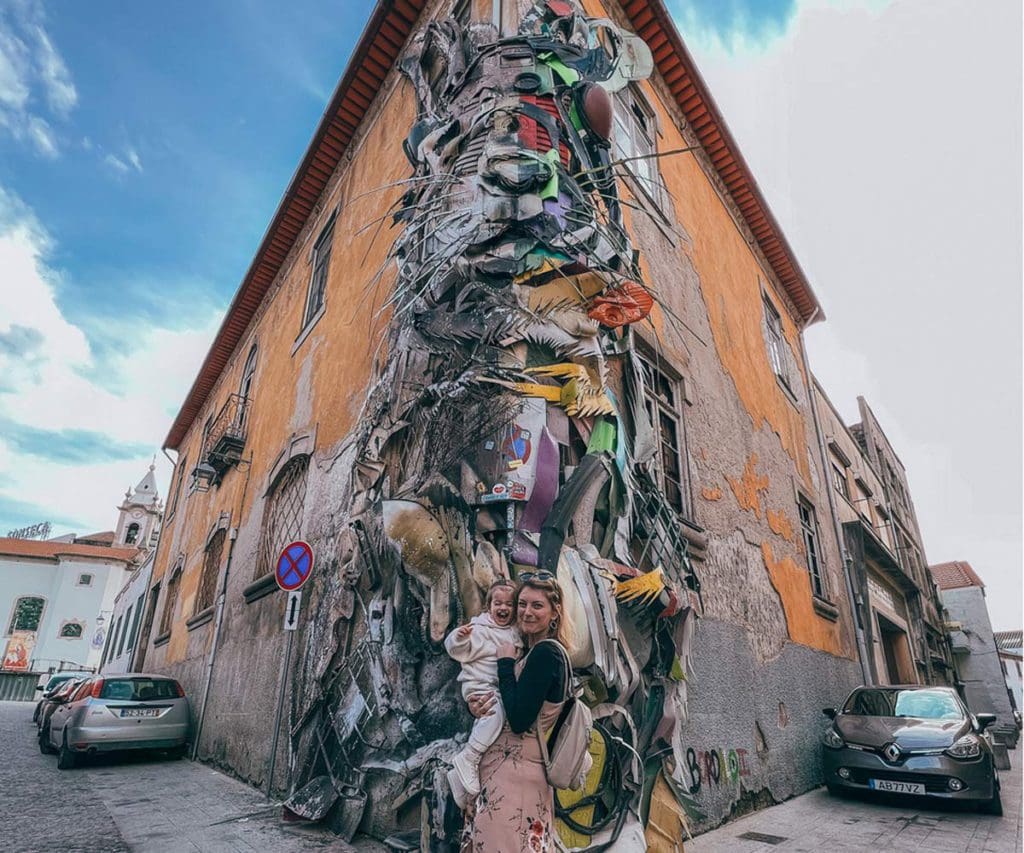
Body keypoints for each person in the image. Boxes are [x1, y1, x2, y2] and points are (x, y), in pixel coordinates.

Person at [461, 573, 572, 852]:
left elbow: (520, 720)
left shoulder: (546, 654)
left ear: (555, 612)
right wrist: (477, 704)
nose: (526, 612)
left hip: (516, 781)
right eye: (522, 604)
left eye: (537, 606)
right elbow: (513, 702)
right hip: (509, 778)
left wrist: (504, 664)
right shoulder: (532, 651)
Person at [445, 579, 522, 808]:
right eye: (498, 603)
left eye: (509, 604)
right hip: (481, 687)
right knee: (494, 714)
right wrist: (459, 637)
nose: (503, 608)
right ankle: (469, 756)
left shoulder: (513, 631)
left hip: (498, 688)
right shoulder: (480, 630)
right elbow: (455, 648)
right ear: (488, 606)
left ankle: (459, 782)